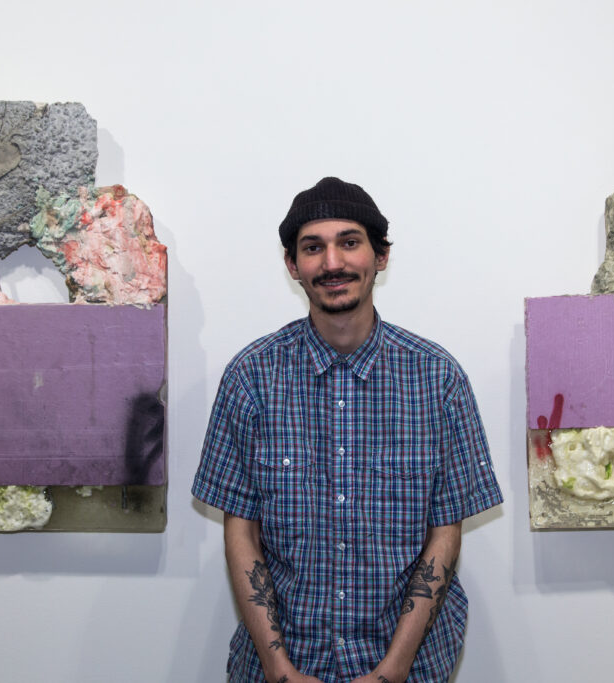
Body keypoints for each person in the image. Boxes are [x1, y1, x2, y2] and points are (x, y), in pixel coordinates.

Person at [192, 177, 503, 682]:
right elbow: (240, 529)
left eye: (349, 243)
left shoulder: (437, 378)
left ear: (380, 256)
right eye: (313, 248)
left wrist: (391, 671)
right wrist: (278, 669)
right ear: (293, 265)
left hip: (411, 665)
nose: (332, 263)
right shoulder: (251, 377)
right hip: (281, 663)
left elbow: (446, 531)